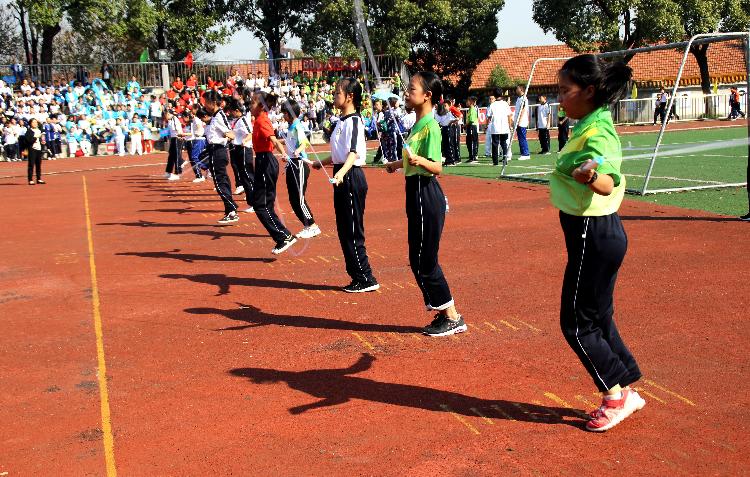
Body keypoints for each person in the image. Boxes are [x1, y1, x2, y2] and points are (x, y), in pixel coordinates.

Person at [552, 54, 645, 432]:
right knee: (598, 315)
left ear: (589, 91)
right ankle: (626, 386)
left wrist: (590, 176)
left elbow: (607, 179)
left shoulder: (599, 132)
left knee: (575, 323)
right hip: (597, 232)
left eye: (564, 90)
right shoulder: (590, 123)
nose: (559, 98)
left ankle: (614, 395)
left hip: (594, 232)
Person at [385, 72, 466, 336]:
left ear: (427, 96)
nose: (407, 93)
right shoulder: (417, 125)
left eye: (411, 89)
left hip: (425, 193)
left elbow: (437, 167)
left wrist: (420, 162)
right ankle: (445, 313)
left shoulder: (431, 126)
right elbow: (412, 159)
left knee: (425, 259)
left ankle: (452, 316)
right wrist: (396, 165)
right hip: (415, 192)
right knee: (417, 257)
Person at [312, 78, 379, 293]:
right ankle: (357, 276)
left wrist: (341, 173)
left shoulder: (355, 122)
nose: (334, 96)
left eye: (337, 92)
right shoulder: (341, 121)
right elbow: (338, 154)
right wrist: (318, 163)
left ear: (350, 96)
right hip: (341, 174)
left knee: (352, 229)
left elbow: (354, 153)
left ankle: (366, 277)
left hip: (351, 176)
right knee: (343, 228)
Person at [250, 91, 298, 254]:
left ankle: (283, 236)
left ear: (261, 106)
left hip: (266, 161)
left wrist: (283, 153)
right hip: (263, 161)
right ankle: (282, 236)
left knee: (260, 204)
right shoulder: (258, 120)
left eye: (252, 103)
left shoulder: (262, 120)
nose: (250, 106)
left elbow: (273, 139)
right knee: (264, 204)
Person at [280, 99, 321, 239]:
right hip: (292, 165)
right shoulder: (291, 127)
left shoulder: (298, 126)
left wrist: (297, 152)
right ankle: (307, 225)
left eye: (284, 113)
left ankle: (313, 226)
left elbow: (304, 142)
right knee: (293, 199)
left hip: (300, 165)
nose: (283, 116)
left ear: (290, 113)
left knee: (299, 198)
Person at [203, 90, 240, 224]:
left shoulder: (218, 116)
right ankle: (230, 210)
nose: (205, 105)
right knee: (221, 181)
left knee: (220, 182)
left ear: (213, 103)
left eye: (206, 102)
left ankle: (231, 210)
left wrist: (226, 139)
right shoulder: (216, 116)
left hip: (218, 151)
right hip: (215, 150)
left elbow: (231, 134)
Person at [226, 98, 255, 214]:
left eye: (232, 111)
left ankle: (254, 203)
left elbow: (250, 133)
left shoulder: (243, 120)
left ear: (237, 110)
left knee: (248, 177)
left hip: (244, 150)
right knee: (244, 177)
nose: (231, 113)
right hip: (238, 149)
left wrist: (244, 141)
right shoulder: (237, 121)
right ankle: (251, 201)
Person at [486, 88, 513, 166]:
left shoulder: (492, 105)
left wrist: (487, 125)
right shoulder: (505, 104)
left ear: (494, 95)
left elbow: (489, 116)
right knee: (504, 143)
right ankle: (505, 158)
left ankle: (495, 161)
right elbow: (509, 115)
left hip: (495, 127)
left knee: (495, 144)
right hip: (504, 127)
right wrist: (510, 125)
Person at [25, 118, 45, 185]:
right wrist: (36, 137)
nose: (35, 123)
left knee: (38, 165)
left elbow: (41, 139)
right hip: (32, 149)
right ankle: (30, 179)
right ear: (30, 123)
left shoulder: (39, 130)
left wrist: (43, 141)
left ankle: (39, 179)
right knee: (31, 164)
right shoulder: (29, 131)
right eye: (33, 122)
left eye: (36, 122)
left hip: (39, 149)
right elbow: (29, 140)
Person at [164, 109, 183, 180]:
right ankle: (168, 171)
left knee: (176, 156)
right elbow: (169, 131)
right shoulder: (169, 121)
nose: (165, 116)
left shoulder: (175, 119)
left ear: (169, 114)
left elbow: (178, 130)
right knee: (171, 156)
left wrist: (180, 137)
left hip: (177, 138)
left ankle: (178, 173)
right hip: (173, 138)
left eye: (166, 115)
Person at [514, 85, 531, 160]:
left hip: (522, 121)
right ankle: (523, 153)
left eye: (517, 88)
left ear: (521, 89)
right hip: (518, 121)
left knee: (522, 137)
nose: (516, 90)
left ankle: (526, 154)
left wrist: (519, 120)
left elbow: (523, 109)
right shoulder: (518, 98)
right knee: (520, 137)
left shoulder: (524, 98)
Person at [464, 96, 479, 163]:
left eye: (468, 101)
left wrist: (465, 125)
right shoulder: (470, 109)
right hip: (470, 127)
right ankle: (471, 156)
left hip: (472, 127)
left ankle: (473, 157)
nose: (466, 102)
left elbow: (471, 120)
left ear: (471, 102)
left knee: (472, 141)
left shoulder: (472, 109)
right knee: (469, 142)